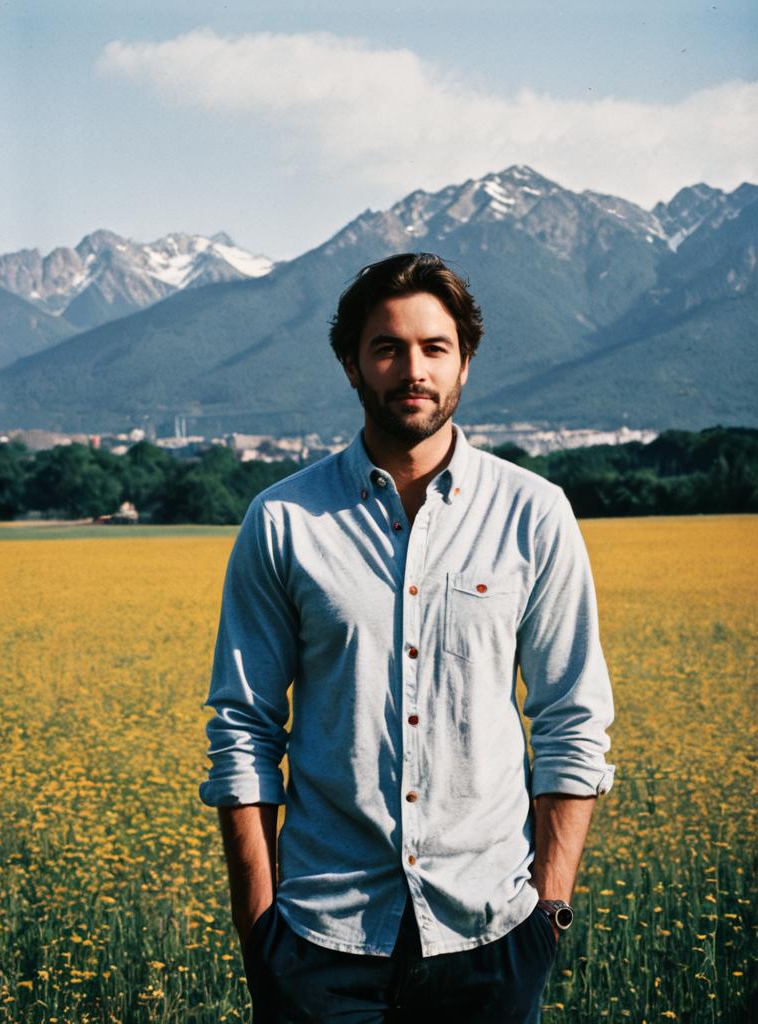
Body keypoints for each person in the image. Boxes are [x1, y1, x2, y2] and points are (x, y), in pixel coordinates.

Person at [200, 252, 615, 1023]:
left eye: (435, 348)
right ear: (352, 365)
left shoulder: (534, 514)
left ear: (465, 361)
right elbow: (243, 727)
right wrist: (260, 930)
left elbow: (573, 718)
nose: (412, 370)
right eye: (387, 348)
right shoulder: (283, 522)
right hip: (319, 944)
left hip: (489, 939)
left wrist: (549, 914)